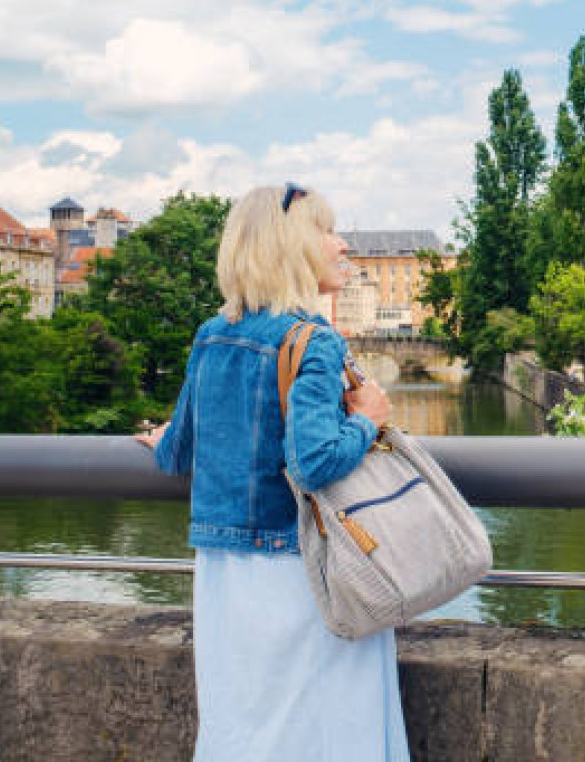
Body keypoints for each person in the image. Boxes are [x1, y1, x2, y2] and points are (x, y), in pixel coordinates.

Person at [138, 183, 408, 761]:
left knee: (243, 728)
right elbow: (313, 463)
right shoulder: (313, 340)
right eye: (327, 231)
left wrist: (161, 436)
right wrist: (368, 421)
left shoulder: (211, 335)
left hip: (223, 577)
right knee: (322, 731)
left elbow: (176, 454)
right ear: (288, 247)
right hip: (299, 574)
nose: (342, 246)